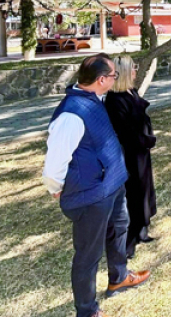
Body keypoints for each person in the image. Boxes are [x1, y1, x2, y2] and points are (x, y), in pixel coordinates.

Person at [42, 54, 150, 317]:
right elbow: (55, 161)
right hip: (91, 196)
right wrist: (56, 188)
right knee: (88, 255)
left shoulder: (95, 98)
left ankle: (119, 277)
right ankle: (87, 310)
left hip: (111, 185)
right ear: (101, 80)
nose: (116, 78)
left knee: (119, 227)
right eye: (113, 75)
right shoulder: (71, 115)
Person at [104, 56, 157, 259]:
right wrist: (145, 140)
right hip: (130, 154)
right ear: (125, 71)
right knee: (133, 194)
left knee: (145, 189)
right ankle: (130, 242)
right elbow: (126, 133)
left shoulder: (131, 91)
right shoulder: (115, 100)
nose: (136, 70)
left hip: (142, 151)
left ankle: (143, 228)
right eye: (133, 67)